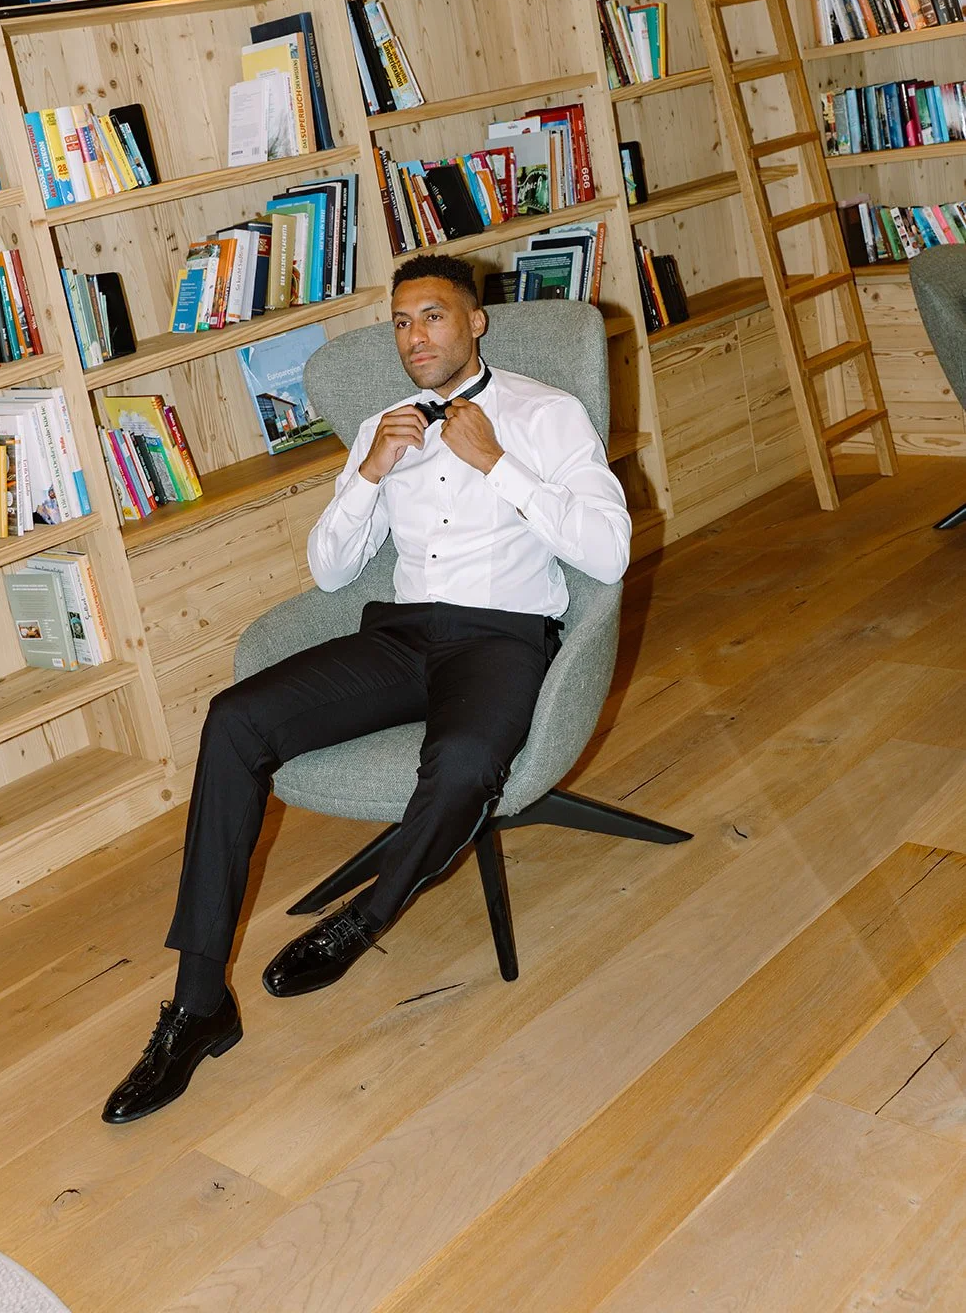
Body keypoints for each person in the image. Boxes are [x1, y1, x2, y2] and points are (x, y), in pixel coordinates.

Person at [102, 255, 631, 1124]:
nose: (413, 337)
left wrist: (496, 463)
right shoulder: (381, 428)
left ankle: (369, 915)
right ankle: (198, 1004)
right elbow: (329, 568)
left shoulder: (546, 414)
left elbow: (606, 555)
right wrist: (371, 473)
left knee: (462, 759)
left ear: (474, 323)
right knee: (234, 720)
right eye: (400, 322)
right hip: (398, 633)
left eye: (431, 317)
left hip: (500, 635)